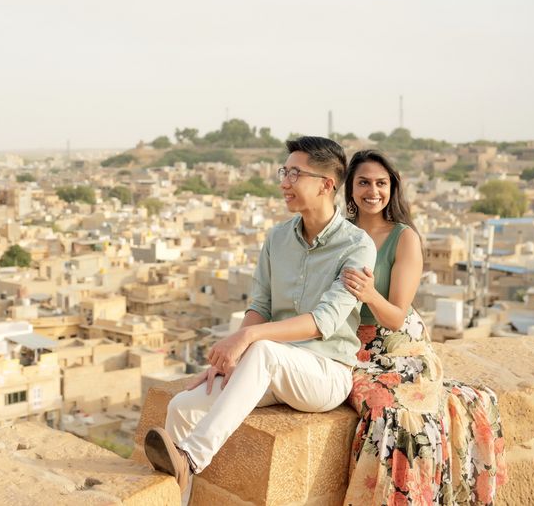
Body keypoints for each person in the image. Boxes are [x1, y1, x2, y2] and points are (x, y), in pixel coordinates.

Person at [143, 136, 377, 497]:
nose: (284, 182)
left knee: (265, 351)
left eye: (295, 174)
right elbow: (261, 306)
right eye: (284, 171)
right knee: (182, 406)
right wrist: (231, 355)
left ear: (326, 184)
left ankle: (191, 458)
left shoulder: (356, 246)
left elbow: (323, 321)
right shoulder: (277, 238)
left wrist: (247, 339)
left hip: (325, 372)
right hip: (267, 368)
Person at [340, 149, 506, 505]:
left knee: (400, 419)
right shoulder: (340, 234)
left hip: (399, 344)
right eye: (364, 182)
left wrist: (368, 292)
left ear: (392, 188)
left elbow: (396, 316)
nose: (373, 191)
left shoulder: (404, 238)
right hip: (349, 343)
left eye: (381, 183)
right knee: (388, 415)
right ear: (350, 189)